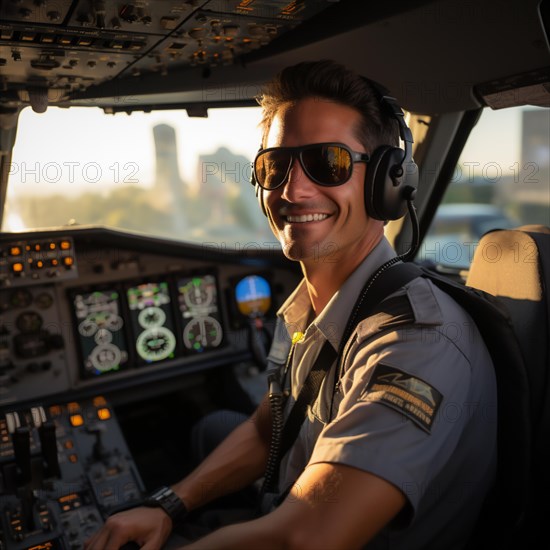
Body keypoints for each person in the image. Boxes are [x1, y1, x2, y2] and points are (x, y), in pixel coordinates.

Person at [85, 60, 497, 550]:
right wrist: (169, 504)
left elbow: (307, 538)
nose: (293, 190)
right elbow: (272, 425)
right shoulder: (317, 307)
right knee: (214, 428)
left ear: (387, 183)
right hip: (286, 502)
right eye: (277, 166)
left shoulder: (417, 344)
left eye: (329, 163)